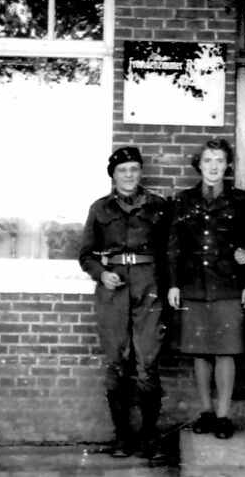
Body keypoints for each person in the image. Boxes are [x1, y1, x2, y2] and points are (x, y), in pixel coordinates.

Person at [78, 146, 169, 458]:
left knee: (147, 363)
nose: (129, 175)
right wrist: (101, 273)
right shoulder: (99, 208)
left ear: (140, 172)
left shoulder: (158, 205)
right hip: (113, 288)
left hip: (149, 287)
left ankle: (148, 436)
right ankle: (122, 436)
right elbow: (85, 254)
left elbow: (171, 251)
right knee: (117, 362)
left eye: (134, 169)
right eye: (122, 170)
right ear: (113, 176)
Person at [167, 138, 245, 440]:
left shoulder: (241, 201)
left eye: (219, 160)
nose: (214, 166)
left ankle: (223, 416)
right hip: (193, 284)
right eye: (208, 161)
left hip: (228, 285)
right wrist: (174, 284)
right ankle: (205, 412)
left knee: (226, 351)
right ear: (199, 165)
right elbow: (173, 247)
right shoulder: (183, 201)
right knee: (199, 351)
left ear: (228, 165)